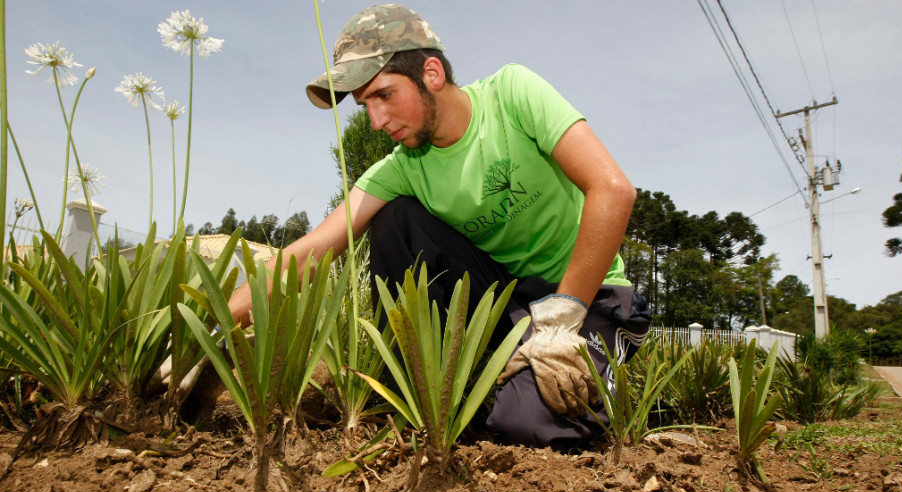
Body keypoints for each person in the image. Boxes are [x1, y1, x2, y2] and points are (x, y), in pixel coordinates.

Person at [227, 4, 651, 450]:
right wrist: (219, 317)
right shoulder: (404, 167)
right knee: (394, 219)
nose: (377, 121)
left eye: (385, 95)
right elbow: (315, 247)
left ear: (431, 73)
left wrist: (562, 320)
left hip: (587, 294)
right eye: (365, 105)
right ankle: (423, 395)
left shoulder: (512, 95)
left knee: (530, 426)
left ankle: (588, 377)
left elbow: (612, 190)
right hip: (508, 300)